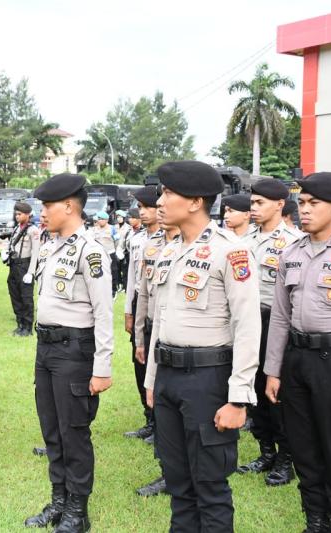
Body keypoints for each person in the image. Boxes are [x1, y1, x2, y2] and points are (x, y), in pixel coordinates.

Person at [144, 161, 260, 532]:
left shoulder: (231, 251)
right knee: (178, 482)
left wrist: (238, 398)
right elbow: (160, 320)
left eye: (167, 193)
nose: (160, 201)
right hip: (168, 378)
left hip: (208, 380)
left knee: (209, 485)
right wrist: (152, 380)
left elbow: (247, 325)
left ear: (195, 201)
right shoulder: (169, 249)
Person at [264, 172, 331, 532]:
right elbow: (280, 317)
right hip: (297, 360)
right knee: (304, 450)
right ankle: (315, 522)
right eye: (303, 202)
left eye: (315, 203)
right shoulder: (291, 253)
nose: (305, 209)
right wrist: (274, 370)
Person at [23, 173, 113, 532]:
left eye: (47, 206)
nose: (42, 212)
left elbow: (104, 312)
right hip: (46, 348)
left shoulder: (91, 250)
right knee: (52, 430)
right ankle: (58, 500)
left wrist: (102, 367)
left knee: (74, 431)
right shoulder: (49, 246)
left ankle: (78, 509)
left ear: (69, 206)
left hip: (74, 350)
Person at [237, 179, 303, 488]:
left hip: (276, 324)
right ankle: (266, 451)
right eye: (252, 202)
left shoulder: (295, 241)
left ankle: (286, 459)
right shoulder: (244, 239)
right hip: (247, 323)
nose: (253, 208)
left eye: (260, 203)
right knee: (253, 389)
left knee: (277, 394)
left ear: (280, 204)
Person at [134, 209, 180, 498]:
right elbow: (145, 294)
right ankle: (168, 473)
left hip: (189, 345)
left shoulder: (214, 249)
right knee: (163, 410)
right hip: (155, 333)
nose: (161, 207)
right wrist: (139, 335)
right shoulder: (155, 249)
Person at [123, 187, 160, 442]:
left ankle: (161, 422)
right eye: (141, 208)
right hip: (140, 303)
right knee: (140, 360)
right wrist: (128, 310)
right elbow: (131, 279)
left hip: (160, 307)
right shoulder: (137, 240)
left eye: (148, 207)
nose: (142, 212)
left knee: (158, 362)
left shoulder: (170, 240)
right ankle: (149, 417)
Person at [3, 201, 40, 336]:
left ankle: (28, 327)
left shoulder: (33, 230)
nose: (17, 216)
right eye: (16, 214)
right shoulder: (17, 229)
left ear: (28, 215)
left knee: (26, 297)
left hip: (25, 266)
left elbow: (35, 252)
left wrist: (31, 272)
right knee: (15, 295)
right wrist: (6, 253)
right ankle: (20, 324)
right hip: (14, 265)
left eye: (20, 214)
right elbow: (12, 245)